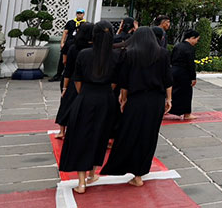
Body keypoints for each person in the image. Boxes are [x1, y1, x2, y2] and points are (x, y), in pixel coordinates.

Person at [101, 27, 172, 187]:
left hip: (136, 99)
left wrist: (123, 98)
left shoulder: (129, 53)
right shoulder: (162, 54)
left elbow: (124, 80)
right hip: (155, 100)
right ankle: (139, 173)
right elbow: (168, 79)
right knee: (149, 136)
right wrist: (169, 99)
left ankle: (124, 165)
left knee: (129, 133)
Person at [59, 20, 116, 194]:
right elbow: (115, 82)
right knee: (100, 135)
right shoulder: (116, 56)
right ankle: (93, 173)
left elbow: (78, 81)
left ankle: (82, 182)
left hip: (86, 98)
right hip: (106, 99)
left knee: (81, 137)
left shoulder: (84, 54)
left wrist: (85, 94)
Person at [54, 23, 94, 139]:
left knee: (66, 103)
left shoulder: (73, 46)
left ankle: (62, 131)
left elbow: (67, 66)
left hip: (72, 79)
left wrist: (65, 87)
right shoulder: (94, 48)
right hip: (86, 80)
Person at [169, 30, 199, 120]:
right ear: (192, 38)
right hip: (184, 73)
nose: (197, 42)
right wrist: (193, 77)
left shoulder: (177, 45)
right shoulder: (190, 48)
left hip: (174, 71)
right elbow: (191, 64)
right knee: (186, 93)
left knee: (174, 92)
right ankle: (187, 114)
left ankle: (167, 109)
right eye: (197, 39)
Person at [53, 8, 87, 84]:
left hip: (78, 44)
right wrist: (62, 42)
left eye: (81, 13)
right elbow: (65, 32)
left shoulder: (85, 24)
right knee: (63, 59)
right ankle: (59, 74)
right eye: (78, 13)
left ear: (83, 14)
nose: (79, 14)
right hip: (68, 43)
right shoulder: (71, 22)